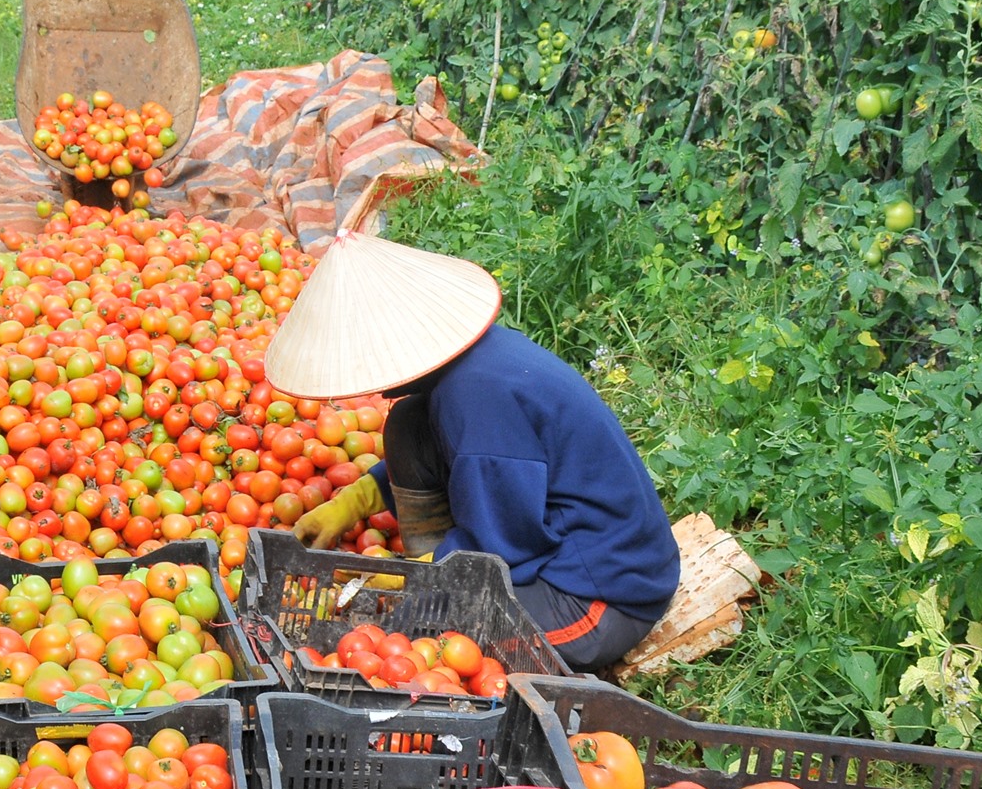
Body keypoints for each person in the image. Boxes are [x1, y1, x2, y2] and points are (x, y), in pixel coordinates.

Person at [263, 231, 680, 673]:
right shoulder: (474, 365)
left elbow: (507, 546)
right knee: (409, 424)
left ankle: (436, 576)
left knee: (417, 631)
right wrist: (356, 501)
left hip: (596, 597)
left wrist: (416, 580)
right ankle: (436, 568)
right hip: (574, 550)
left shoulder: (478, 399)